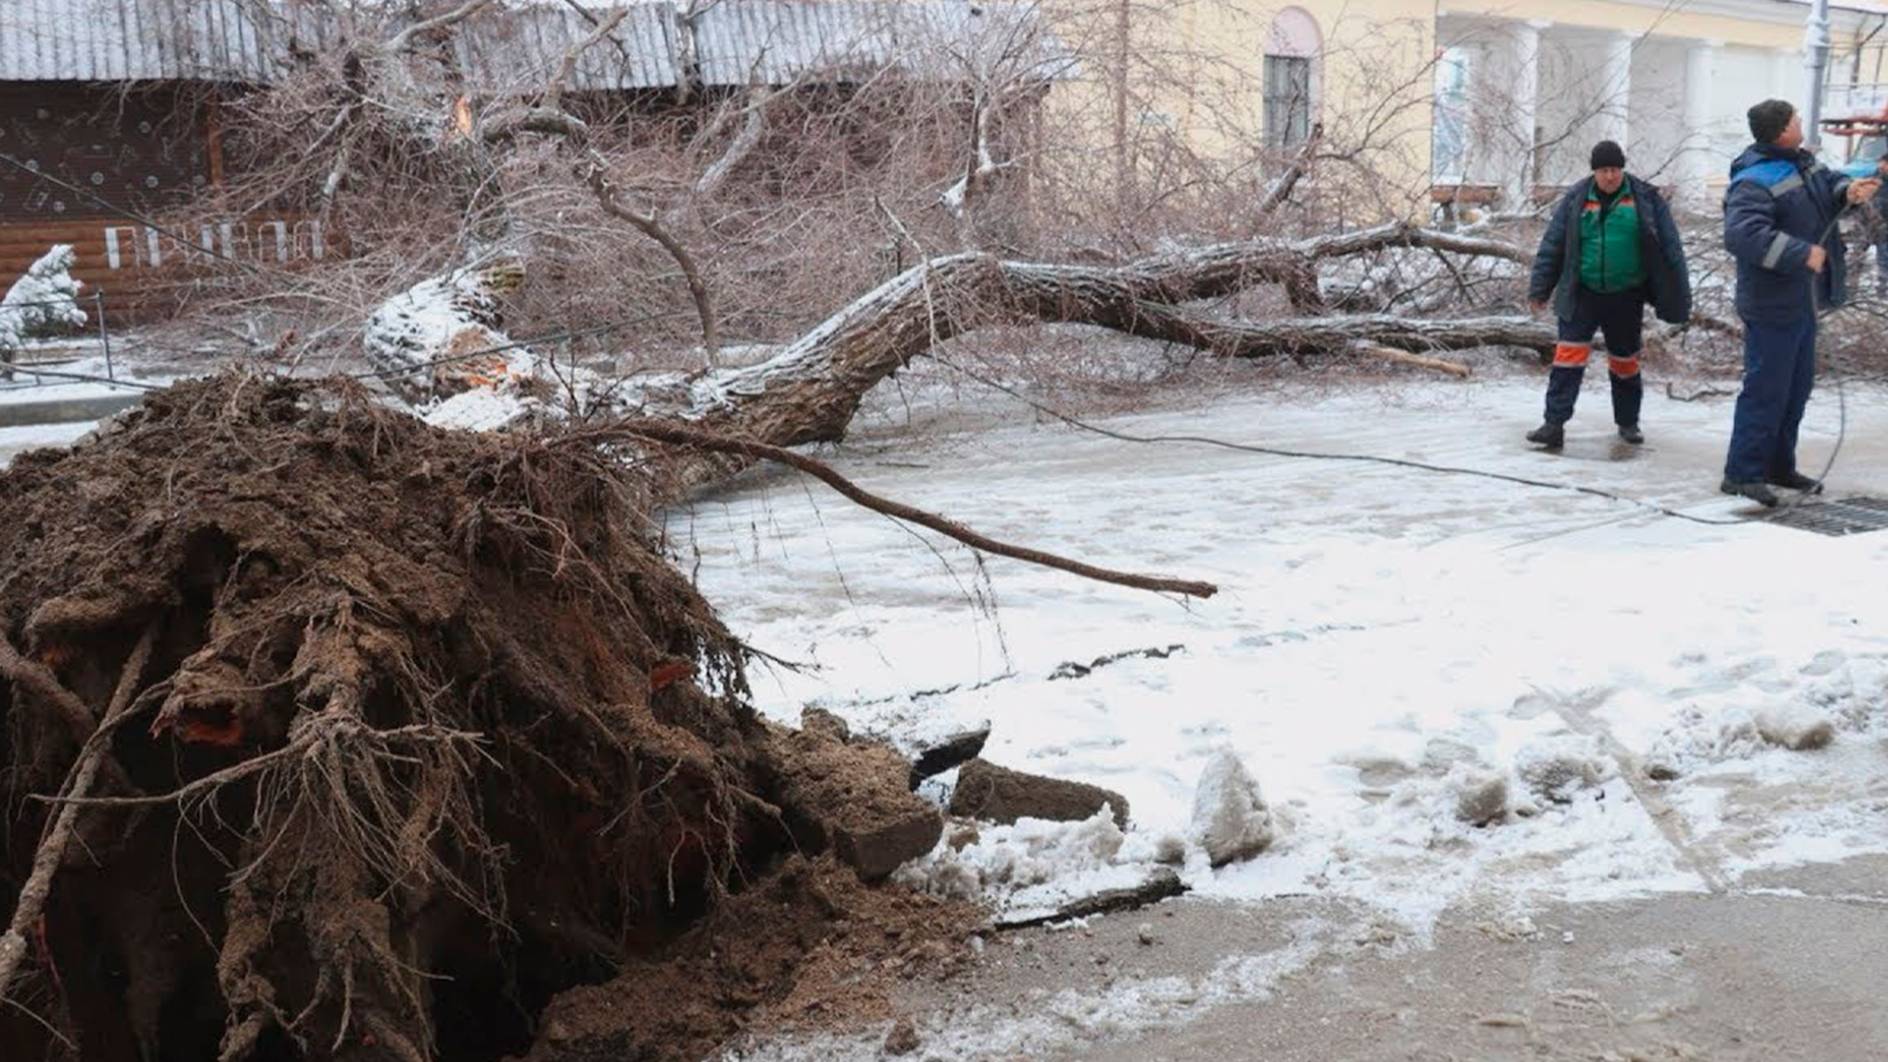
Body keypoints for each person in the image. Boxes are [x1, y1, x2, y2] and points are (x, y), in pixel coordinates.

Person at [1720, 99, 1880, 506]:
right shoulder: (1754, 179)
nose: (1799, 122)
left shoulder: (1802, 162)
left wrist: (1851, 191)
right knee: (1766, 388)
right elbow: (1742, 235)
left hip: (1804, 301)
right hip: (1771, 302)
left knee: (1796, 388)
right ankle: (1742, 472)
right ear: (1781, 130)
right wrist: (1798, 253)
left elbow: (1829, 186)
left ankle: (1778, 465)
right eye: (1794, 119)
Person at [1525, 140, 1691, 449]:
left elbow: (1671, 248)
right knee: (1567, 360)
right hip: (1582, 292)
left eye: (1615, 169)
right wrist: (1540, 289)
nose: (1610, 176)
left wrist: (1678, 296)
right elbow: (1553, 246)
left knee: (1625, 362)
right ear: (1595, 172)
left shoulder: (1644, 198)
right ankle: (1554, 424)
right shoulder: (1577, 198)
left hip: (1626, 294)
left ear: (1622, 169)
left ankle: (1628, 423)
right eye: (1604, 170)